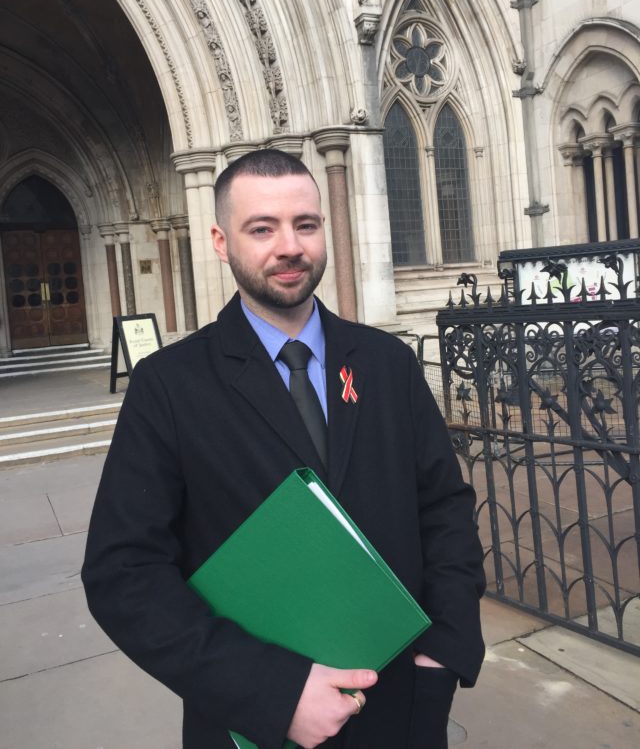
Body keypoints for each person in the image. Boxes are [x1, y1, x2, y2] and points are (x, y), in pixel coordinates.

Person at [82, 149, 485, 749]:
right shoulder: (168, 385)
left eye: (306, 224)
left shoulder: (387, 363)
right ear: (221, 241)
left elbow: (445, 510)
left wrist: (443, 654)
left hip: (402, 706)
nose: (289, 246)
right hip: (257, 722)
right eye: (262, 228)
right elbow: (123, 574)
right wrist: (272, 692)